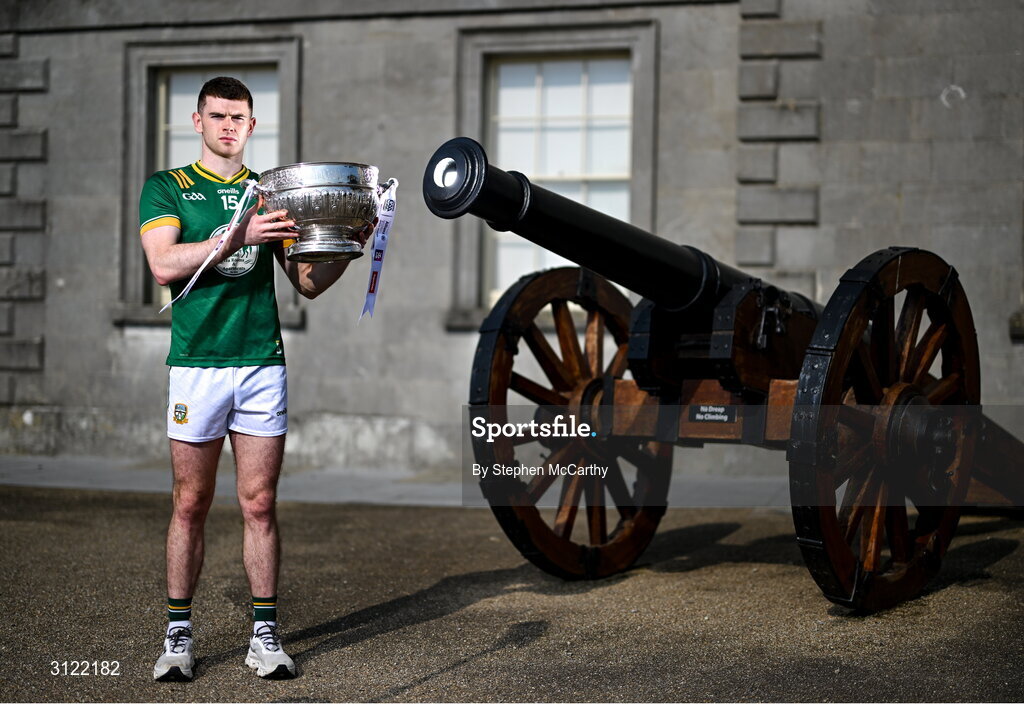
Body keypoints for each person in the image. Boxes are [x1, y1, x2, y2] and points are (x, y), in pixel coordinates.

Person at [139, 76, 370, 681]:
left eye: (238, 117)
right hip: (196, 366)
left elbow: (307, 284)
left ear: (251, 125)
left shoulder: (271, 193)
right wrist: (239, 235)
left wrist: (347, 243)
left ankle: (264, 636)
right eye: (217, 116)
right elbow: (163, 265)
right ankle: (178, 636)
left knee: (260, 504)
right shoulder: (168, 188)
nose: (227, 126)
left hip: (262, 364)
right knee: (190, 502)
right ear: (196, 121)